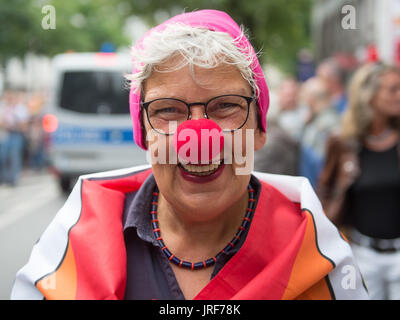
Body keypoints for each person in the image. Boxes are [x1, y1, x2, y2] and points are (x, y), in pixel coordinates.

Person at [11, 10, 368, 300]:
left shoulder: (317, 254)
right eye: (169, 110)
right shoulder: (74, 241)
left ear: (259, 130)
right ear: (145, 134)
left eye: (225, 106)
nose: (198, 137)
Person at [317, 62, 400, 300]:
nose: (399, 95)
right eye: (392, 89)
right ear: (369, 95)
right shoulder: (342, 144)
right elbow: (326, 191)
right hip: (362, 255)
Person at [299, 77, 340, 188]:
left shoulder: (325, 125)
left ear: (311, 100)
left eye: (304, 98)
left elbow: (321, 163)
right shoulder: (322, 120)